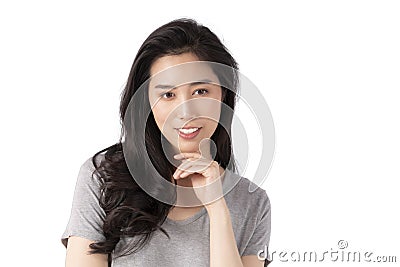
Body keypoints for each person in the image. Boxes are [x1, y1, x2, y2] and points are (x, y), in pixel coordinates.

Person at [61, 18, 272, 267]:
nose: (185, 111)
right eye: (168, 95)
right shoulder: (102, 177)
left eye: (201, 91)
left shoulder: (252, 201)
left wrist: (217, 210)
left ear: (223, 94)